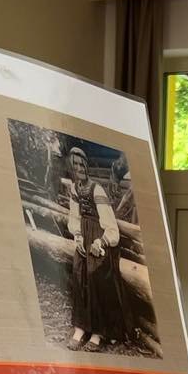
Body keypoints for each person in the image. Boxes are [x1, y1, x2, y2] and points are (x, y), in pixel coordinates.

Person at [65, 147, 125, 351]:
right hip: (84, 236)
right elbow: (74, 216)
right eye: (75, 165)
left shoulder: (96, 189)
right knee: (78, 273)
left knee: (94, 275)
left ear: (87, 166)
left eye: (82, 164)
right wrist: (78, 236)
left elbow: (111, 226)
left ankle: (98, 332)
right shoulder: (75, 189)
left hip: (100, 237)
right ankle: (81, 327)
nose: (79, 168)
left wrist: (101, 242)